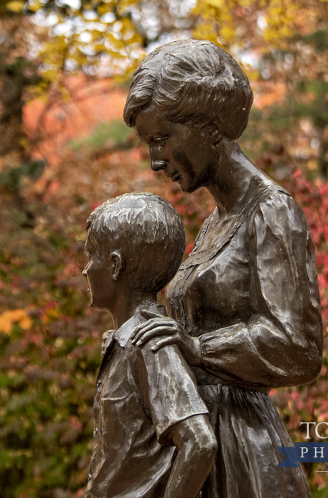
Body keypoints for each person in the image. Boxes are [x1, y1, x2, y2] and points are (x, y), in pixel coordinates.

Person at [123, 39, 323, 498]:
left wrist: (196, 348)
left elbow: (299, 346)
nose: (156, 161)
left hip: (242, 451)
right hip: (199, 439)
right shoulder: (216, 222)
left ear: (209, 128)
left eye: (162, 139)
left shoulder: (272, 212)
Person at [82, 192, 217, 498]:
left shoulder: (150, 343)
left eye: (91, 256)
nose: (85, 269)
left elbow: (199, 443)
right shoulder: (125, 342)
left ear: (115, 265)